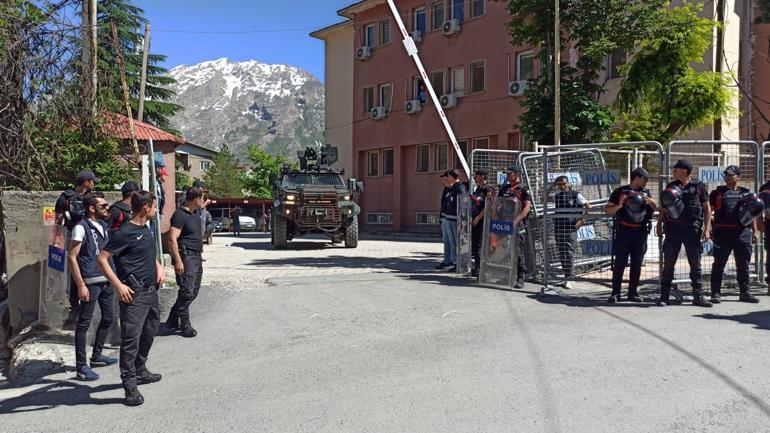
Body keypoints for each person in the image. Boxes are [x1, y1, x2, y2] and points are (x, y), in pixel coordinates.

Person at [97, 191, 165, 407]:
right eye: (154, 207)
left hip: (151, 291)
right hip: (134, 295)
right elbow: (102, 258)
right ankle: (129, 386)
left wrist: (158, 266)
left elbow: (147, 253)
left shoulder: (145, 228)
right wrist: (118, 285)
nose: (156, 210)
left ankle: (140, 369)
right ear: (146, 207)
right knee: (130, 341)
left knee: (150, 330)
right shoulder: (125, 232)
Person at [67, 192, 117, 381]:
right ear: (91, 208)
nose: (106, 208)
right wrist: (80, 284)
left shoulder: (104, 226)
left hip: (106, 279)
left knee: (109, 317)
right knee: (84, 323)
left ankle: (97, 355)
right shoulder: (81, 228)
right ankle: (81, 366)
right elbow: (72, 256)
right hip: (90, 281)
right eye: (103, 206)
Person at [657, 159, 712, 307]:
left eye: (676, 169)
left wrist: (707, 229)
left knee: (695, 264)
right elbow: (664, 207)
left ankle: (698, 296)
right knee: (669, 263)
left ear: (685, 171)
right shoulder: (671, 186)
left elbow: (707, 208)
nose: (674, 171)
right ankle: (664, 296)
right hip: (673, 229)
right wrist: (659, 223)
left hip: (692, 229)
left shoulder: (698, 186)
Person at [605, 167, 657, 303]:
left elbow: (654, 208)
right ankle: (615, 293)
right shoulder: (620, 191)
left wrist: (653, 203)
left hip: (640, 232)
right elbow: (608, 210)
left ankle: (632, 293)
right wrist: (620, 206)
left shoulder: (646, 192)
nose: (647, 181)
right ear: (637, 178)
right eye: (645, 178)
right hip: (624, 232)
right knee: (620, 263)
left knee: (637, 264)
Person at [709, 165, 759, 304]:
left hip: (742, 233)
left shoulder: (746, 193)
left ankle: (745, 292)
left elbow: (752, 214)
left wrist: (755, 231)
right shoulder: (717, 193)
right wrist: (708, 228)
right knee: (719, 264)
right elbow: (708, 211)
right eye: (726, 175)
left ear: (738, 177)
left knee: (743, 265)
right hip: (723, 233)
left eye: (730, 175)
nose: (727, 177)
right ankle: (716, 293)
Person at [56, 170, 100, 325]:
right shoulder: (66, 198)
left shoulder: (85, 198)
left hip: (83, 238)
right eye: (92, 181)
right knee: (75, 275)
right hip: (75, 240)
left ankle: (84, 309)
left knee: (86, 272)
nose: (94, 184)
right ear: (86, 182)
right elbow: (58, 222)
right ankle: (75, 309)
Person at [166, 187, 205, 338]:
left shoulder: (194, 214)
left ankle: (172, 319)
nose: (203, 201)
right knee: (187, 291)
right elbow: (171, 239)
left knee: (193, 291)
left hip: (196, 257)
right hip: (186, 257)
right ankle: (185, 325)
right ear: (196, 199)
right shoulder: (180, 215)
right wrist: (177, 260)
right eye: (202, 198)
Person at [549, 175, 590, 279]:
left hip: (570, 228)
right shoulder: (557, 195)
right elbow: (543, 198)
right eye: (559, 185)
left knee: (569, 252)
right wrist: (551, 186)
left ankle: (569, 276)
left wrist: (582, 221)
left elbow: (589, 207)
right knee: (562, 251)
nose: (562, 186)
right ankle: (566, 275)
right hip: (559, 227)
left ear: (568, 183)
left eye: (564, 184)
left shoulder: (575, 195)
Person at [498, 165, 532, 288]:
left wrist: (516, 221)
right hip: (503, 224)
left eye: (509, 173)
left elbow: (527, 208)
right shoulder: (504, 188)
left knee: (518, 251)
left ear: (516, 174)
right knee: (504, 250)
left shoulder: (523, 189)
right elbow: (498, 203)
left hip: (517, 224)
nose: (507, 175)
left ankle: (521, 276)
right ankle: (506, 275)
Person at [436, 169, 467, 273]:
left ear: (450, 177)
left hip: (454, 219)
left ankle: (455, 262)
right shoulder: (450, 188)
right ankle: (448, 260)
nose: (446, 179)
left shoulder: (460, 188)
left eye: (447, 176)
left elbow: (463, 203)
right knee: (448, 241)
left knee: (454, 242)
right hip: (447, 218)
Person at [469, 169, 494, 277]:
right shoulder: (478, 189)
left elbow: (488, 206)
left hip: (483, 222)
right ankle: (477, 266)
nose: (475, 177)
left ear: (483, 177)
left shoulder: (488, 189)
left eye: (477, 175)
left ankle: (482, 268)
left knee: (480, 245)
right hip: (475, 221)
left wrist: (478, 218)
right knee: (475, 245)